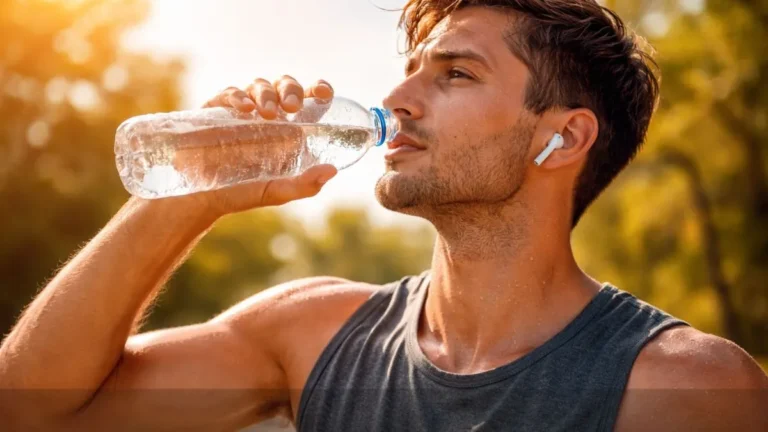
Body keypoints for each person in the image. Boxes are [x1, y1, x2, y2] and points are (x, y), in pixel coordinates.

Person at [1, 0, 766, 431]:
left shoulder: (684, 390)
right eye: (407, 73)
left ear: (563, 136)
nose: (398, 100)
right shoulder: (310, 334)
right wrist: (190, 195)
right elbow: (29, 407)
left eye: (456, 73)